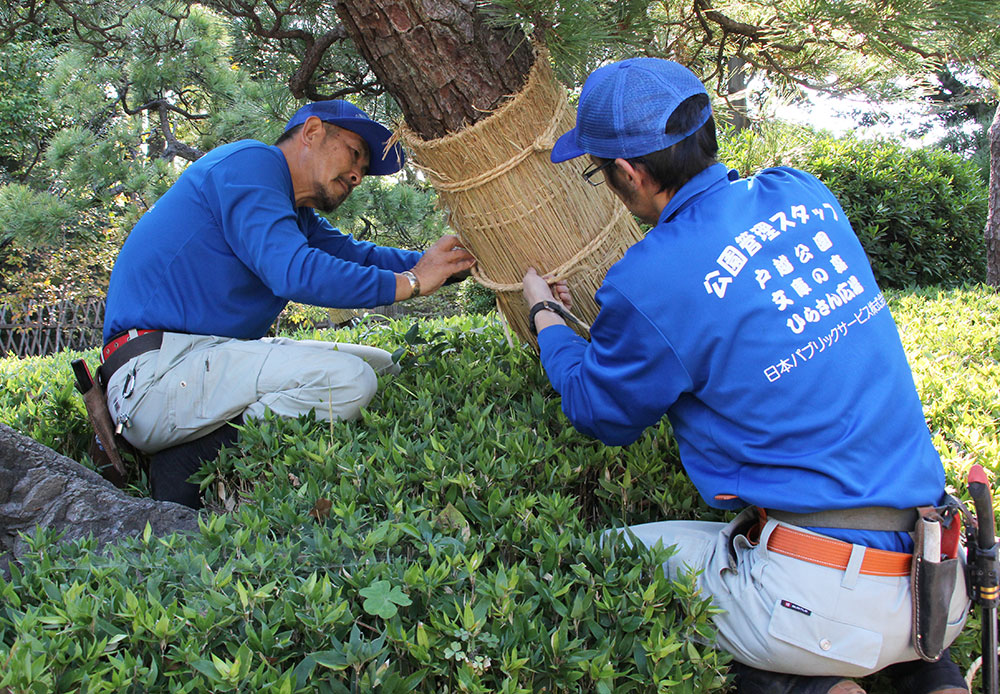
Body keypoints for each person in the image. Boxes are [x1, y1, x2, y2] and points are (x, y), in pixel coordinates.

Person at [521, 58, 969, 694]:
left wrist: (545, 316)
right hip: (936, 577)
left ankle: (817, 686)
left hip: (820, 597)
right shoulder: (804, 191)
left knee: (610, 558)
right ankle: (938, 681)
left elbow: (598, 411)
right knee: (857, 593)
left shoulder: (650, 278)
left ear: (629, 173)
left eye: (599, 174)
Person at [101, 100, 475, 509]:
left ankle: (199, 444)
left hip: (203, 362)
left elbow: (358, 256)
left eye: (364, 171)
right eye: (354, 154)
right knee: (349, 381)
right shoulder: (251, 164)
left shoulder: (294, 214)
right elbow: (294, 272)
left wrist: (448, 264)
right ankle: (188, 461)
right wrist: (415, 282)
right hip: (155, 374)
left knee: (382, 365)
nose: (357, 175)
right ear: (312, 132)